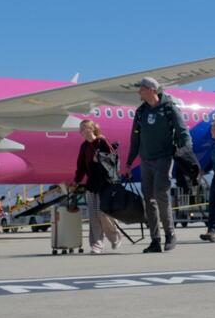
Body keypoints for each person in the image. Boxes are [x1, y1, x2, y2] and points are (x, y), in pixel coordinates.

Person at [125, 77, 191, 253]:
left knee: (160, 194)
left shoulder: (169, 109)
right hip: (146, 160)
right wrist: (129, 162)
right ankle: (155, 240)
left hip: (164, 157)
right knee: (149, 200)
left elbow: (184, 134)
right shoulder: (140, 112)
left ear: (152, 90)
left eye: (142, 89)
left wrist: (185, 153)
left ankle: (170, 235)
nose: (139, 92)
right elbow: (135, 139)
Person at [71, 119, 122, 253]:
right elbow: (81, 166)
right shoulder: (84, 146)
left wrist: (98, 157)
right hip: (91, 184)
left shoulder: (102, 141)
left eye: (83, 128)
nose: (81, 131)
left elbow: (113, 160)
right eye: (80, 129)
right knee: (93, 216)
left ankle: (115, 237)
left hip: (105, 183)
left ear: (91, 129)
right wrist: (76, 181)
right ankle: (97, 245)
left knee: (103, 214)